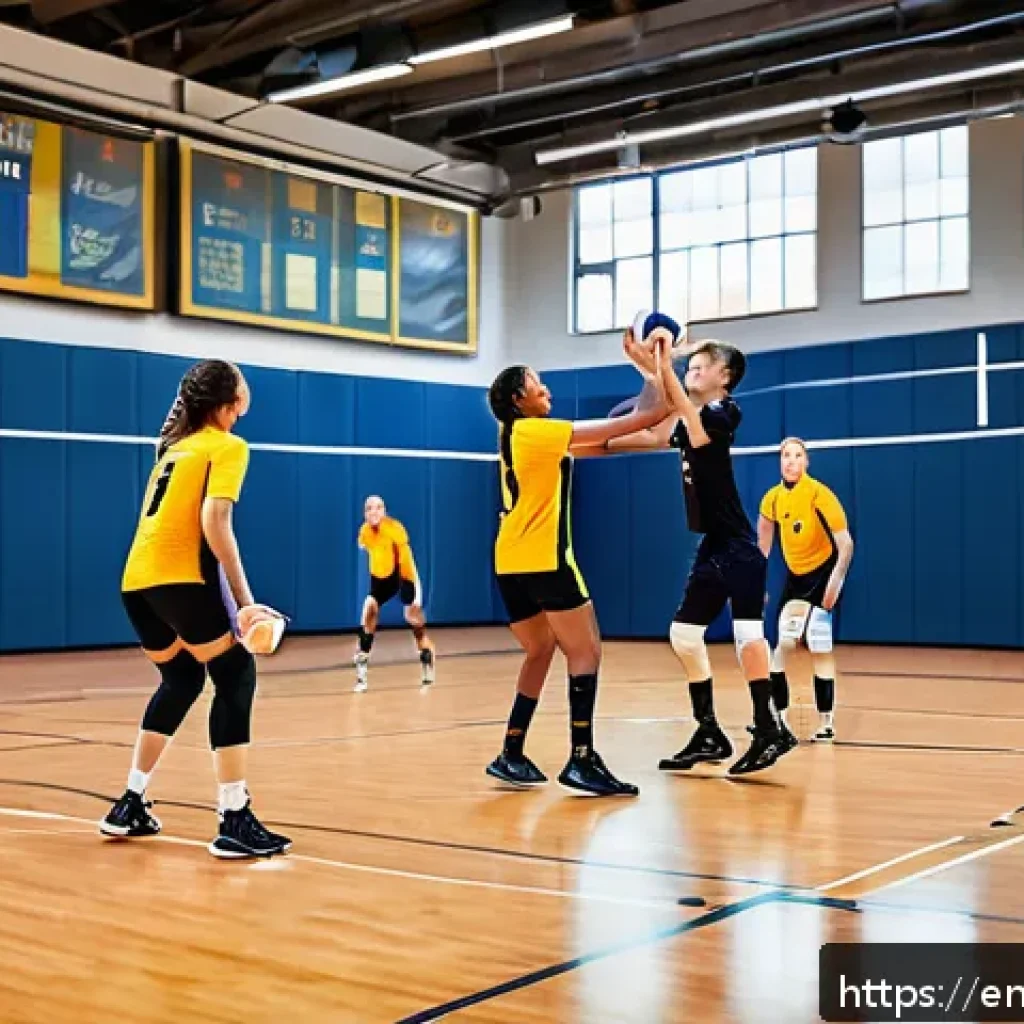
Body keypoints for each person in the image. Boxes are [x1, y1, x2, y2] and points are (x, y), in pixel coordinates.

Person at [99, 359, 290, 859]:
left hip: (137, 583)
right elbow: (215, 522)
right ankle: (234, 815)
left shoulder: (175, 449)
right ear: (231, 403)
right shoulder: (227, 446)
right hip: (179, 579)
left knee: (182, 680)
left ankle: (130, 802)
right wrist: (247, 605)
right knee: (236, 674)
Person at [610, 320, 791, 775]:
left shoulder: (723, 414)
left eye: (700, 366)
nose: (691, 370)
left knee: (749, 637)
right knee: (685, 636)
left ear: (723, 377)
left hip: (739, 548)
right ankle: (709, 731)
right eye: (687, 366)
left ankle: (768, 728)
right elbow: (653, 434)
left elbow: (685, 414)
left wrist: (660, 361)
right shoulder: (692, 417)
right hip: (715, 546)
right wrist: (587, 443)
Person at [485, 360, 670, 796]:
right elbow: (641, 418)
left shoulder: (521, 438)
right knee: (585, 651)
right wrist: (653, 367)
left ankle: (511, 752)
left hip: (509, 561)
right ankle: (582, 759)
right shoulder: (535, 431)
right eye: (536, 383)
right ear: (518, 400)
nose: (545, 387)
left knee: (540, 649)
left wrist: (640, 427)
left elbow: (611, 440)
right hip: (545, 558)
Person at [758, 437, 854, 742]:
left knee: (820, 644)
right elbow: (762, 547)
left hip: (823, 574)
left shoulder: (818, 493)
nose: (790, 461)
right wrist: (757, 586)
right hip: (796, 578)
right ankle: (778, 718)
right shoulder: (772, 499)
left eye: (797, 455)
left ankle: (826, 722)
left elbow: (846, 544)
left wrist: (835, 584)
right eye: (785, 455)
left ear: (806, 461)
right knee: (784, 643)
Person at [353, 496, 434, 692]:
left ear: (384, 511)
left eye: (378, 508)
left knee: (414, 622)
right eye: (369, 508)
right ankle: (362, 670)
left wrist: (416, 595)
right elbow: (367, 548)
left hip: (402, 577)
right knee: (369, 610)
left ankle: (426, 660)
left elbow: (409, 562)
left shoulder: (395, 529)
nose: (374, 512)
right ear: (365, 513)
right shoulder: (364, 532)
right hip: (380, 582)